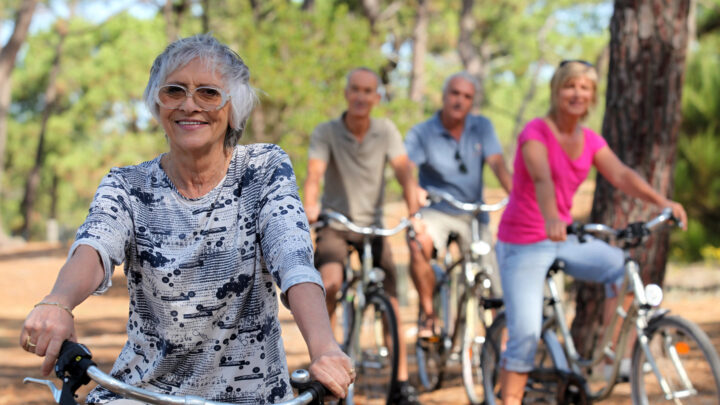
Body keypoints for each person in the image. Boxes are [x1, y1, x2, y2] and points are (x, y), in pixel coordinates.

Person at [19, 34, 354, 404]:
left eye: (209, 93)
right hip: (142, 395)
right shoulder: (127, 185)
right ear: (158, 104)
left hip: (252, 397)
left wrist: (324, 348)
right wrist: (58, 301)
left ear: (233, 108)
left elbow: (292, 258)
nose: (190, 105)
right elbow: (96, 244)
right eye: (174, 91)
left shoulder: (263, 169)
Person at [495, 60, 688, 405]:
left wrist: (663, 201)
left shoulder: (590, 140)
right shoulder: (535, 132)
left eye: (585, 88)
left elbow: (622, 176)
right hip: (523, 241)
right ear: (556, 90)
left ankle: (612, 356)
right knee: (524, 333)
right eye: (570, 86)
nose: (577, 93)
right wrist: (551, 216)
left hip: (563, 238)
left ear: (593, 96)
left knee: (623, 268)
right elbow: (541, 178)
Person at [303, 67, 422, 405]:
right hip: (336, 224)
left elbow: (403, 171)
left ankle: (400, 384)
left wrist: (415, 214)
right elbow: (314, 173)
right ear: (346, 93)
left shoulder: (385, 131)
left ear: (377, 97)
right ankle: (322, 364)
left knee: (392, 303)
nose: (361, 96)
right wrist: (311, 204)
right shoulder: (326, 131)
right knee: (330, 283)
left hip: (374, 226)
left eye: (368, 91)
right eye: (355, 89)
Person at [404, 72, 512, 337]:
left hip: (474, 214)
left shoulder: (482, 127)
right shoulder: (422, 132)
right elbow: (406, 169)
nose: (459, 101)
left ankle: (502, 348)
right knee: (418, 243)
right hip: (437, 210)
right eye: (454, 93)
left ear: (472, 101)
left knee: (495, 282)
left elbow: (498, 164)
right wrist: (413, 204)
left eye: (467, 96)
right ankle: (429, 316)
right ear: (443, 96)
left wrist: (518, 197)